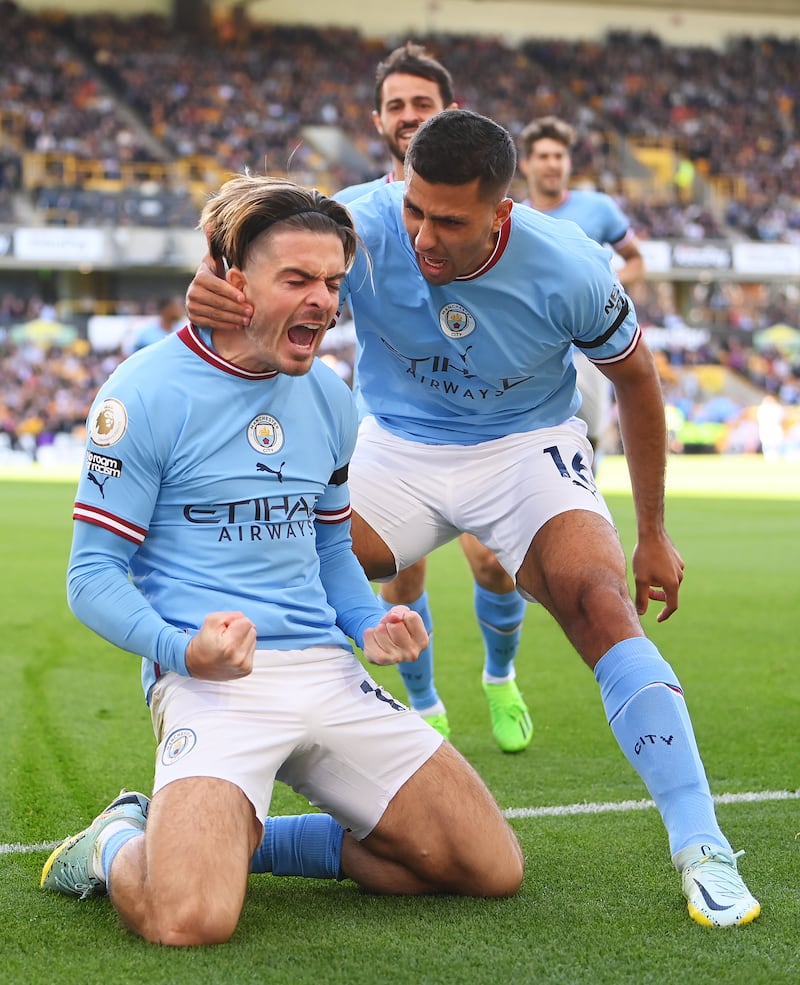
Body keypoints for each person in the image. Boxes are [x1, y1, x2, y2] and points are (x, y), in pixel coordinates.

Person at [185, 110, 761, 929]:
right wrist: (209, 277)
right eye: (415, 208)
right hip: (395, 445)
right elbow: (248, 234)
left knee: (599, 600)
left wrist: (654, 531)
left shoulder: (569, 264)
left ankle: (702, 846)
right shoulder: (364, 222)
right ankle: (202, 808)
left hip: (525, 446)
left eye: (448, 220)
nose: (422, 234)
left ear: (501, 210)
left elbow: (636, 379)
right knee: (282, 573)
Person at [39, 173, 523, 947]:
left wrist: (368, 619)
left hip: (327, 670)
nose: (322, 302)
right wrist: (181, 649)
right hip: (211, 681)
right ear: (233, 284)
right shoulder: (146, 392)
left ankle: (243, 845)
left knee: (486, 866)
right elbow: (90, 576)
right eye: (297, 279)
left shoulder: (331, 397)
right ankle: (116, 840)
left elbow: (330, 542)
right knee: (188, 917)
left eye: (332, 283)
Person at [338, 42, 533, 753]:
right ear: (378, 120)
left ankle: (500, 676)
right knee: (400, 567)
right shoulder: (360, 216)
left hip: (484, 431)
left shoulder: (490, 208)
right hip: (390, 428)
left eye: (422, 103)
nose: (409, 115)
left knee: (494, 562)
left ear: (448, 111)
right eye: (396, 105)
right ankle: (424, 702)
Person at [518, 114, 647, 464]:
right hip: (535, 345)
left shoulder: (599, 208)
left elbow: (636, 260)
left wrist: (606, 286)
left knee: (588, 437)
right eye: (544, 156)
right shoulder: (513, 216)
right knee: (528, 434)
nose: (552, 164)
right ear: (526, 163)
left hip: (588, 345)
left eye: (559, 156)